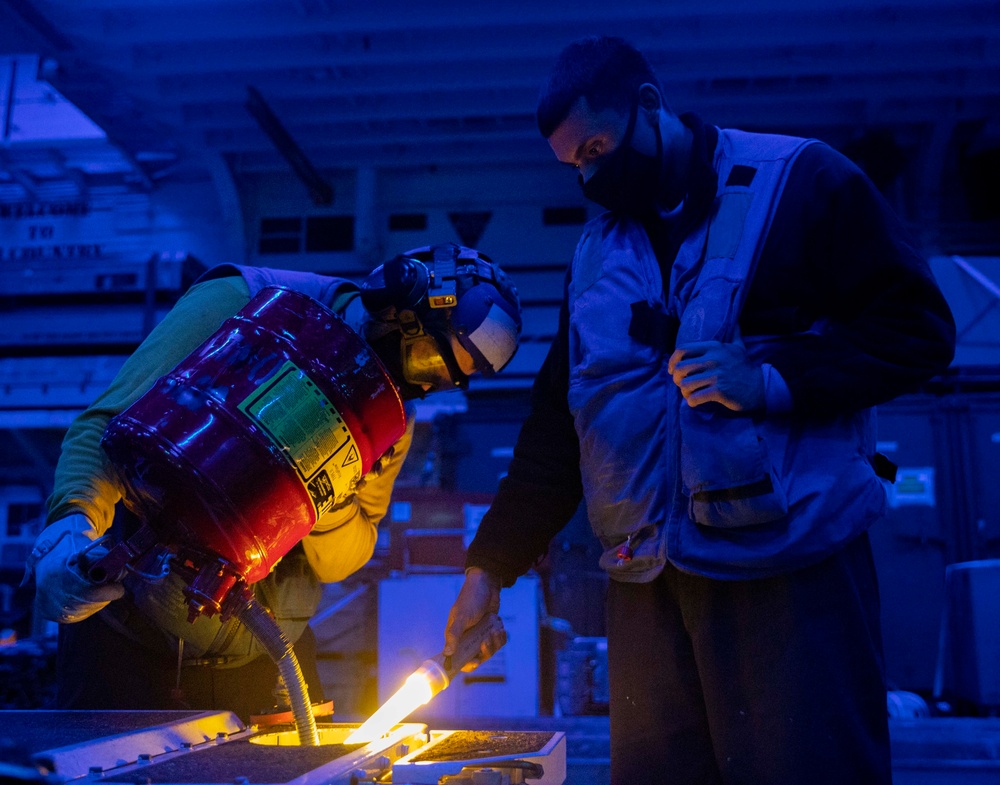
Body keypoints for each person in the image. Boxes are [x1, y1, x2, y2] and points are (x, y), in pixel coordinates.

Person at [442, 36, 956, 785]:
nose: (589, 173)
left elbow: (918, 329)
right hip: (648, 588)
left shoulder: (799, 182)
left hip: (789, 579)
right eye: (573, 164)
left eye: (596, 147)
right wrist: (490, 567)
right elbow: (560, 425)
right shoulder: (596, 257)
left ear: (650, 106)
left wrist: (770, 378)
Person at [27, 242, 521, 720]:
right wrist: (69, 527)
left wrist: (333, 485)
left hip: (264, 656)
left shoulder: (391, 420)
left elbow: (344, 557)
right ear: (395, 308)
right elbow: (109, 427)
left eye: (444, 382)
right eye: (429, 364)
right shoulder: (241, 302)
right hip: (133, 645)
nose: (421, 388)